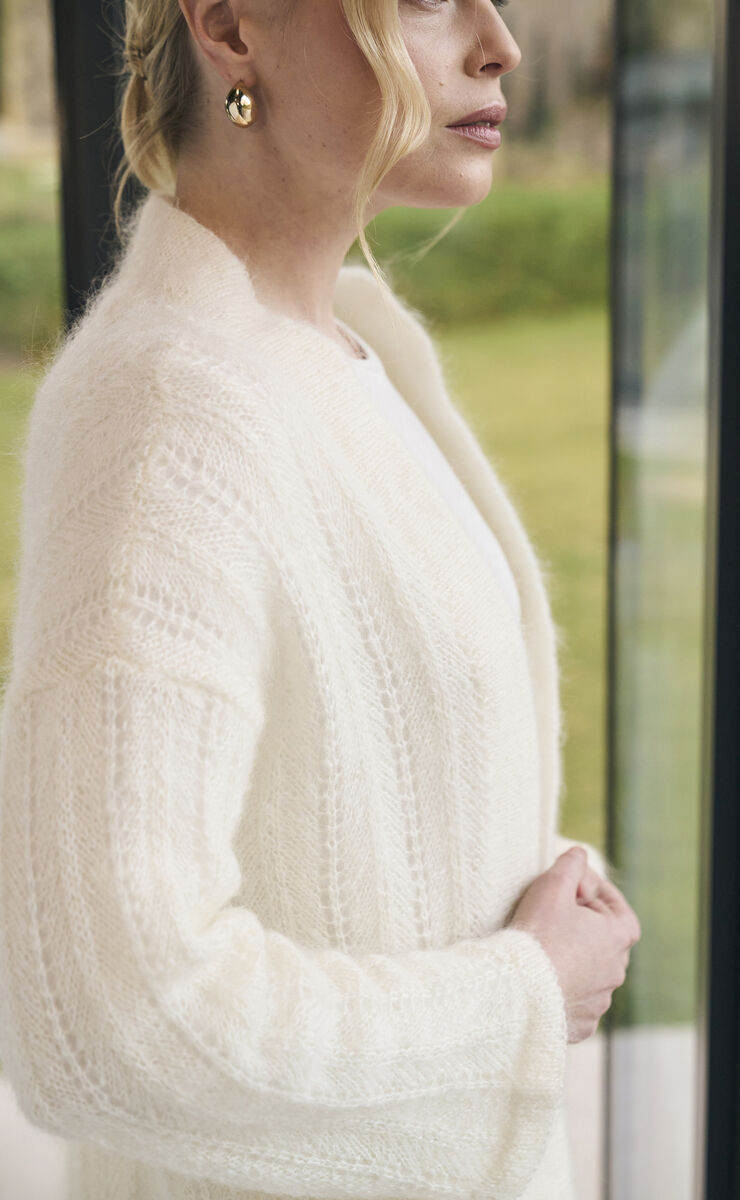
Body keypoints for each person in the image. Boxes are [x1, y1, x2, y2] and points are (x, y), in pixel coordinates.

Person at [0, 1, 641, 1198]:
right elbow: (106, 1023)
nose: (499, 43)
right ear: (230, 27)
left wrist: (524, 868)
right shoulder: (166, 412)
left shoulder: (341, 347)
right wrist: (521, 991)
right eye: (425, 1)